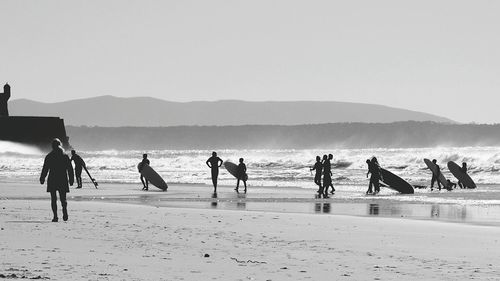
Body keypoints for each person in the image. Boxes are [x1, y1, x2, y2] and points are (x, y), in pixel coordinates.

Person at [40, 138, 74, 222]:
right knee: (63, 198)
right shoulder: (65, 156)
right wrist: (71, 179)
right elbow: (70, 169)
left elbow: (45, 168)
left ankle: (55, 216)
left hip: (52, 179)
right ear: (60, 145)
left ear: (52, 146)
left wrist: (42, 178)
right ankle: (64, 211)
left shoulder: (49, 156)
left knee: (53, 199)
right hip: (62, 178)